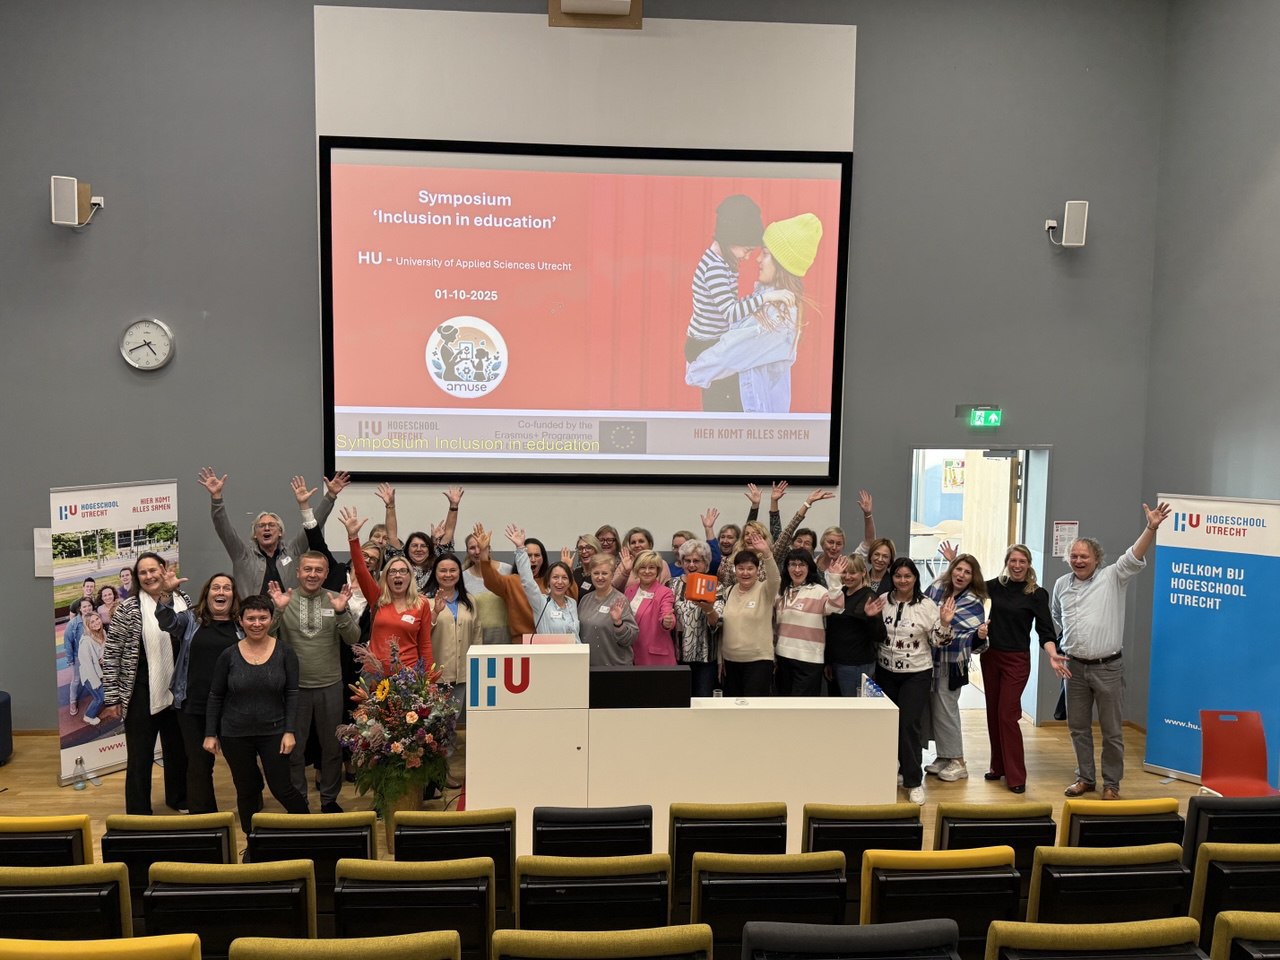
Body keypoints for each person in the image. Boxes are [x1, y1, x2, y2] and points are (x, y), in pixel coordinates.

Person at [1050, 502, 1170, 801]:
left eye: (1084, 556)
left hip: (1108, 668)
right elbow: (1057, 616)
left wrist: (1151, 527)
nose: (1078, 560)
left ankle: (1112, 784)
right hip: (1074, 669)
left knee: (1112, 731)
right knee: (1078, 728)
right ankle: (1085, 779)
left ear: (1096, 559)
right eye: (1074, 556)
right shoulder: (1061, 584)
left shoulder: (1113, 577)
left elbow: (1134, 554)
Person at [685, 213, 821, 413]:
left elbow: (729, 354)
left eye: (765, 254)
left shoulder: (778, 314)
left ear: (782, 264)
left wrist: (695, 369)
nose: (757, 259)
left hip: (747, 419)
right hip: (736, 413)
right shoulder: (766, 300)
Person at [204, 594, 309, 831]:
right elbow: (215, 696)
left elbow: (293, 693)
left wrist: (290, 731)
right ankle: (252, 841)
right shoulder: (228, 655)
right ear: (240, 621)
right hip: (235, 734)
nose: (257, 623)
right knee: (246, 790)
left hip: (274, 731)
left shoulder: (285, 652)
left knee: (282, 788)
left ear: (271, 619)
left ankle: (309, 833)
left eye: (263, 617)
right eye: (251, 618)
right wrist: (210, 733)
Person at [267, 552, 359, 814]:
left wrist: (341, 612)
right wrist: (278, 610)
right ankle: (300, 803)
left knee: (332, 748)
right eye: (307, 569)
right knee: (294, 749)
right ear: (298, 572)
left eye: (319, 570)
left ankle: (329, 800)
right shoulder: (284, 599)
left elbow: (353, 639)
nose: (312, 574)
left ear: (326, 574)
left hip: (330, 684)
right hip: (294, 689)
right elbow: (267, 638)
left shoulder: (335, 598)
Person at [100, 552, 191, 815]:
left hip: (177, 692)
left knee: (177, 751)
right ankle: (138, 812)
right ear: (137, 577)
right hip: (140, 692)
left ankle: (179, 798)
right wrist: (112, 698)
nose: (149, 576)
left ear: (164, 569)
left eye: (153, 570)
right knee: (140, 757)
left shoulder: (182, 599)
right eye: (143, 572)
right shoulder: (128, 608)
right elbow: (112, 654)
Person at [684, 195, 787, 411]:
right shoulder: (715, 269)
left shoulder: (723, 261)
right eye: (747, 250)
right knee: (722, 404)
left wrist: (759, 299)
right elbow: (731, 313)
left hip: (713, 339)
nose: (748, 257)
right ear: (730, 238)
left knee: (730, 396)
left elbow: (731, 305)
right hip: (705, 345)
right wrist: (765, 298)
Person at [867, 557, 956, 805]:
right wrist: (870, 618)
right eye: (898, 576)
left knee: (909, 725)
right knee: (887, 725)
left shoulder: (926, 605)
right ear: (892, 578)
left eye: (907, 576)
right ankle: (895, 769)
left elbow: (938, 641)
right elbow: (875, 635)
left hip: (916, 674)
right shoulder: (883, 600)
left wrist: (945, 623)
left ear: (915, 578)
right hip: (885, 671)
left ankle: (914, 781)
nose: (902, 580)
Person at [158, 572, 242, 816]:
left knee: (242, 762)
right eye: (216, 587)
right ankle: (204, 819)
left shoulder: (242, 624)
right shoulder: (191, 619)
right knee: (199, 764)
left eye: (227, 588)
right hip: (193, 704)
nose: (221, 592)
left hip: (233, 707)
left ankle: (252, 809)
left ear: (233, 595)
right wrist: (166, 593)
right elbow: (167, 622)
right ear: (207, 593)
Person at [198, 466, 346, 597]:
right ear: (255, 534)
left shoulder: (293, 551)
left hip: (288, 616)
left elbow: (313, 527)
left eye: (271, 525)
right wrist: (216, 498)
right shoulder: (242, 555)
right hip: (252, 616)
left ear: (280, 531)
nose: (267, 528)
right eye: (261, 526)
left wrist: (330, 496)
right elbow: (224, 529)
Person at [977, 544, 1054, 794]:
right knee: (993, 713)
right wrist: (954, 561)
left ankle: (1016, 776)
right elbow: (969, 586)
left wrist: (1053, 654)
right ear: (1006, 562)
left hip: (1016, 660)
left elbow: (1046, 630)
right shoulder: (996, 586)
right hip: (991, 657)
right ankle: (997, 766)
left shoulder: (1037, 594)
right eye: (1013, 561)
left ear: (1029, 564)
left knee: (1007, 715)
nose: (1017, 565)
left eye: (1022, 561)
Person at [342, 507, 433, 676]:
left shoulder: (422, 604)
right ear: (386, 576)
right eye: (393, 571)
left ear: (410, 576)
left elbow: (425, 644)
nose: (398, 575)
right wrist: (353, 538)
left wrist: (429, 680)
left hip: (408, 676)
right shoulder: (377, 598)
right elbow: (361, 571)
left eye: (403, 571)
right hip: (374, 673)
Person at [923, 554, 987, 784]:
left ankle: (958, 761)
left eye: (967, 572)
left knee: (946, 709)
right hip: (928, 660)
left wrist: (979, 636)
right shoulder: (937, 588)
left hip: (952, 664)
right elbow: (923, 613)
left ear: (973, 577)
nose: (961, 575)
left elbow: (974, 637)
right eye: (958, 569)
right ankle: (944, 755)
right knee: (934, 709)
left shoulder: (973, 601)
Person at [774, 549, 846, 695]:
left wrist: (834, 579)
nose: (797, 569)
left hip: (809, 659)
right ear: (787, 567)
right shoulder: (781, 591)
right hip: (782, 657)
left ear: (809, 568)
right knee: (783, 704)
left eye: (802, 565)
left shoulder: (819, 591)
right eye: (792, 564)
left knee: (803, 707)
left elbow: (836, 607)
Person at [717, 529, 779, 696]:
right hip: (730, 661)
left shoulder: (765, 590)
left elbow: (775, 579)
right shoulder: (729, 591)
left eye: (750, 568)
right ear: (735, 570)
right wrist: (721, 659)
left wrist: (767, 554)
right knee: (733, 708)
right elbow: (723, 628)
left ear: (757, 570)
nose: (745, 573)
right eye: (741, 568)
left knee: (754, 709)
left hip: (758, 661)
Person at [671, 539, 725, 697]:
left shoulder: (715, 586)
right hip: (677, 657)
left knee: (702, 703)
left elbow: (718, 623)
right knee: (679, 701)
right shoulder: (671, 585)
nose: (691, 565)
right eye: (687, 560)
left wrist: (709, 610)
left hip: (705, 659)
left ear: (706, 563)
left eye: (696, 561)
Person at [507, 524, 579, 639]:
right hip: (548, 650)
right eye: (555, 577)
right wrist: (521, 549)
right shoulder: (541, 602)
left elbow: (575, 636)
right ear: (548, 581)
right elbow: (528, 582)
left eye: (564, 578)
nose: (560, 582)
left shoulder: (572, 603)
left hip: (573, 650)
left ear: (569, 582)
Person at [824, 554, 879, 696]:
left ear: (863, 572)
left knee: (854, 707)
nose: (847, 576)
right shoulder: (840, 593)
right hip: (837, 662)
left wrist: (871, 617)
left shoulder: (868, 596)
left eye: (853, 573)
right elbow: (832, 630)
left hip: (857, 665)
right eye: (844, 572)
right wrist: (828, 661)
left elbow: (880, 635)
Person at [577, 555, 638, 666]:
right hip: (588, 666)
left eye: (604, 573)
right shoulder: (585, 600)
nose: (600, 577)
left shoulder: (620, 601)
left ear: (612, 575)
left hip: (614, 667)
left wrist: (618, 623)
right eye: (596, 573)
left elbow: (630, 639)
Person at [625, 551, 677, 665]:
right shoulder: (629, 590)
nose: (647, 571)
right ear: (637, 569)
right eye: (643, 567)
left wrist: (667, 621)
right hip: (631, 654)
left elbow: (667, 613)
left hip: (655, 656)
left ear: (657, 570)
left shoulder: (665, 592)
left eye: (651, 567)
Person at [63, 596, 94, 718]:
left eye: (89, 606)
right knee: (76, 680)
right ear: (80, 609)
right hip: (78, 656)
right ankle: (73, 701)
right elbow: (68, 642)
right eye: (84, 607)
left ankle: (96, 696)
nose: (87, 608)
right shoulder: (73, 624)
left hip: (92, 655)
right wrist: (70, 660)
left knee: (93, 675)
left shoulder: (94, 618)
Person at [77, 611, 109, 726]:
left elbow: (102, 651)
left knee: (102, 695)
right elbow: (87, 665)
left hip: (99, 671)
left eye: (97, 619)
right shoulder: (86, 642)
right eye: (92, 622)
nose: (96, 623)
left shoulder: (103, 632)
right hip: (89, 675)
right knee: (100, 697)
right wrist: (96, 683)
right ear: (88, 625)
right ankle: (88, 716)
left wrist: (103, 658)